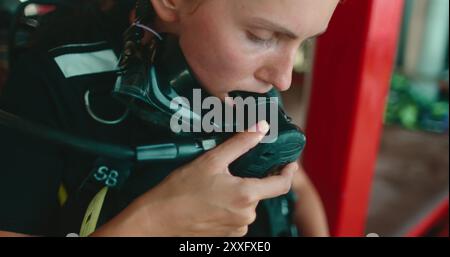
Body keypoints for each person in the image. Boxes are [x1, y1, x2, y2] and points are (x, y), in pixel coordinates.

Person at [0, 0, 338, 237]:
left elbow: (297, 185)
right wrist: (153, 222)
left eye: (304, 42)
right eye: (262, 37)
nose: (283, 79)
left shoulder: (248, 80)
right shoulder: (53, 82)